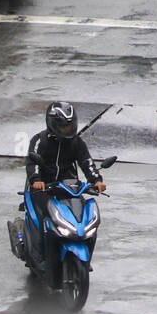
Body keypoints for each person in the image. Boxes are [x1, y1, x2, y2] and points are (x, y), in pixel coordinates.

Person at [25, 102, 105, 262]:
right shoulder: (39, 140)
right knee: (43, 219)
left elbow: (86, 162)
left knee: (82, 218)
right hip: (43, 188)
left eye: (69, 126)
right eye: (63, 127)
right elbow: (31, 162)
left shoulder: (77, 142)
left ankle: (84, 254)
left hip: (69, 187)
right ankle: (38, 255)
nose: (67, 130)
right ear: (53, 124)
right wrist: (36, 180)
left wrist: (96, 180)